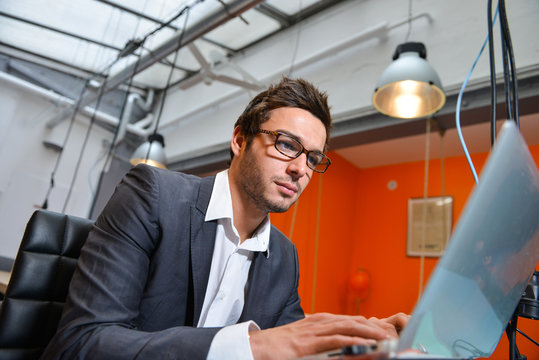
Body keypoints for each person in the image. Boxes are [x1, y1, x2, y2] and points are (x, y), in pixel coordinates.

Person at [43, 77, 408, 360]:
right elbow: (82, 343)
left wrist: (359, 342)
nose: (300, 169)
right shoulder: (153, 195)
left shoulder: (284, 257)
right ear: (239, 139)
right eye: (286, 144)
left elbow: (293, 345)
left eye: (313, 158)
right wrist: (252, 346)